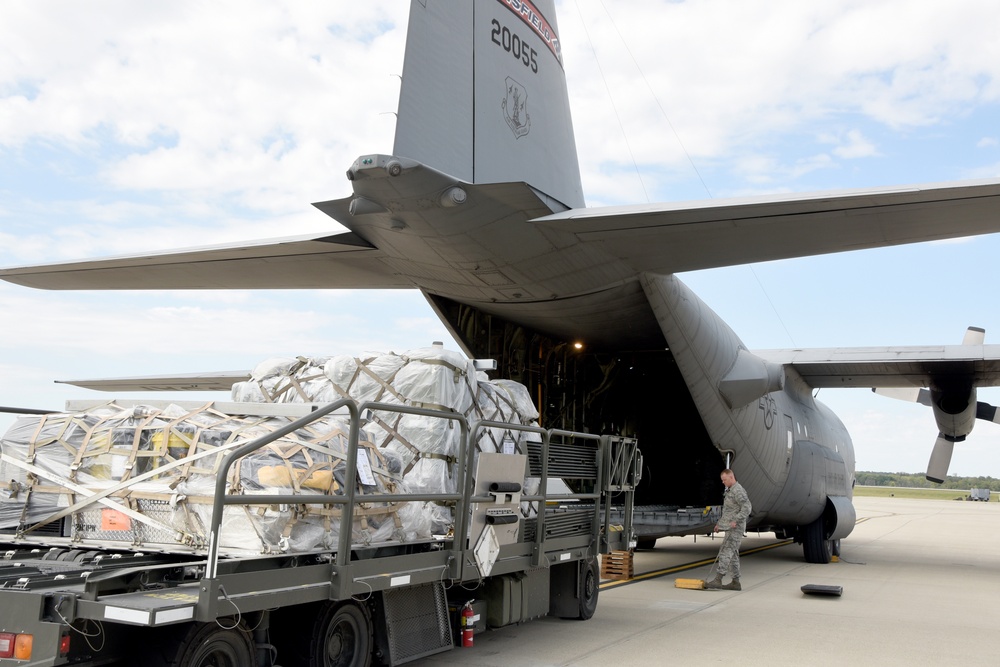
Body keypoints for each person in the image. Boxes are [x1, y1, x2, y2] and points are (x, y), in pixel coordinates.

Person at [705, 468, 752, 591]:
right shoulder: (731, 491)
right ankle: (735, 582)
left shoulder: (738, 491)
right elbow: (728, 511)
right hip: (730, 528)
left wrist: (736, 520)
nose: (723, 482)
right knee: (733, 554)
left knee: (726, 551)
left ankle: (718, 579)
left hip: (736, 529)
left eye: (724, 480)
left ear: (731, 478)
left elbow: (747, 508)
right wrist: (719, 525)